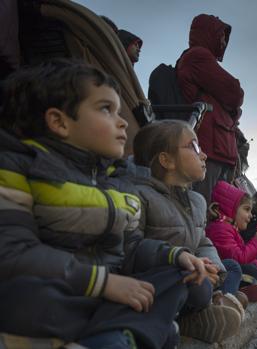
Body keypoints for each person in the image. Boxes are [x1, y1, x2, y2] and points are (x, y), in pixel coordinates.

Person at [0, 60, 209, 349]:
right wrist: (104, 284)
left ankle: (120, 335)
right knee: (24, 296)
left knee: (177, 276)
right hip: (61, 291)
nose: (122, 121)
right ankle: (132, 333)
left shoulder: (117, 180)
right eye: (105, 109)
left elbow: (131, 248)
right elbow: (12, 253)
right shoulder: (19, 165)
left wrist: (173, 255)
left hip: (106, 294)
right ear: (59, 122)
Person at [131, 120, 246, 343]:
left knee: (226, 269)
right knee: (198, 287)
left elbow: (202, 240)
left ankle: (207, 305)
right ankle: (187, 318)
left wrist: (213, 267)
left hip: (193, 270)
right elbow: (133, 250)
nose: (203, 155)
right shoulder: (140, 195)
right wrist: (186, 261)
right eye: (194, 147)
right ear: (167, 160)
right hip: (164, 278)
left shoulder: (197, 201)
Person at [177, 14, 244, 204]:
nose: (224, 41)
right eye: (221, 35)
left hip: (219, 148)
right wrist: (234, 109)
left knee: (217, 214)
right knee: (204, 208)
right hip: (211, 149)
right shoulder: (198, 56)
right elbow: (235, 93)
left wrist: (233, 110)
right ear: (209, 34)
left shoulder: (203, 60)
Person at [205, 181, 257, 302]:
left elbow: (242, 251)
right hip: (218, 273)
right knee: (244, 268)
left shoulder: (230, 228)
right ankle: (226, 300)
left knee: (255, 269)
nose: (250, 215)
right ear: (231, 209)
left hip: (224, 271)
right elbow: (238, 257)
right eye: (247, 209)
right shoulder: (220, 228)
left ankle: (240, 291)